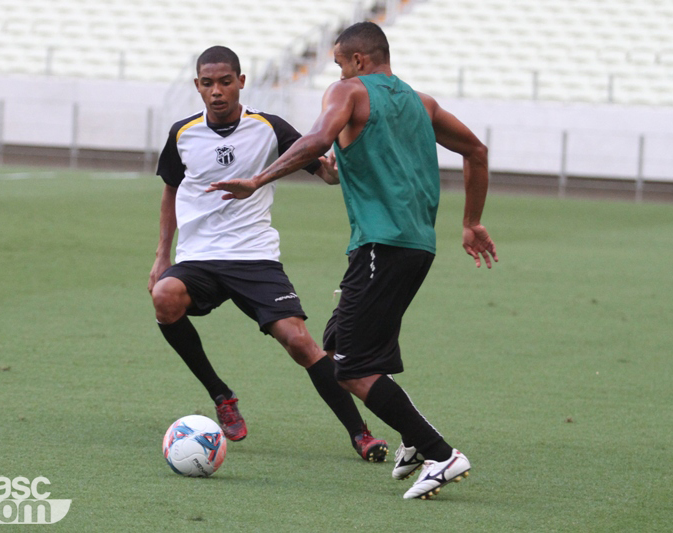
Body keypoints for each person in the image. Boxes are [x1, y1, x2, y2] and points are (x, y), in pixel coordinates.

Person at [207, 23, 498, 499]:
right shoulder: (421, 103)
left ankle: (440, 453)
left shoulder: (349, 91)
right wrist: (472, 221)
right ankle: (412, 441)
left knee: (352, 369)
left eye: (340, 61)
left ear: (359, 61)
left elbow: (318, 139)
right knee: (338, 338)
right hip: (416, 246)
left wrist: (256, 182)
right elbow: (476, 151)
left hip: (382, 245)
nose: (337, 71)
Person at [149, 46, 389, 462]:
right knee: (164, 297)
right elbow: (171, 190)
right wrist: (161, 255)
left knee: (300, 343)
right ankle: (221, 395)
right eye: (208, 84)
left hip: (254, 257)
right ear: (198, 86)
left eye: (225, 82)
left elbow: (324, 172)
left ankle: (360, 433)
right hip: (200, 257)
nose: (217, 91)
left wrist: (337, 164)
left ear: (241, 82)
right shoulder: (181, 133)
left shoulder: (269, 127)